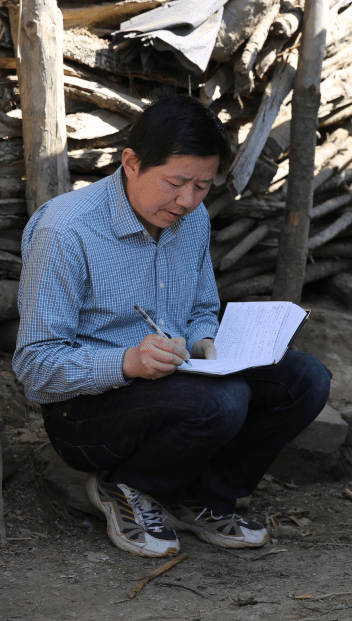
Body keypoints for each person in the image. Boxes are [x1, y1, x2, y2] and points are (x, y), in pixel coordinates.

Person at [13, 95, 332, 558]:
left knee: (305, 379)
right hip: (84, 415)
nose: (187, 201)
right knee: (224, 400)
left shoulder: (191, 218)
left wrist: (204, 340)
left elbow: (203, 305)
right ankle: (125, 485)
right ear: (131, 162)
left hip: (176, 382)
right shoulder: (66, 232)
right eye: (176, 182)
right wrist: (127, 361)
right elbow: (35, 367)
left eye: (202, 186)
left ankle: (204, 495)